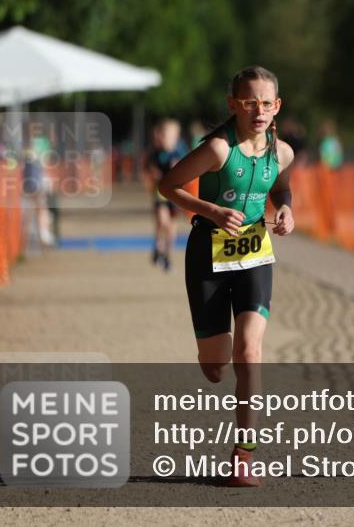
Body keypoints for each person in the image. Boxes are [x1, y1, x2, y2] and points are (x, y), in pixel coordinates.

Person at [158, 66, 295, 487]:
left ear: (277, 107)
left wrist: (286, 208)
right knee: (217, 367)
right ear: (233, 105)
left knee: (250, 352)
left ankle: (244, 455)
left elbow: (281, 184)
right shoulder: (218, 150)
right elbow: (169, 185)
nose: (258, 110)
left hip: (255, 254)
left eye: (266, 103)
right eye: (249, 102)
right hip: (208, 255)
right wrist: (212, 210)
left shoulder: (282, 150)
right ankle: (214, 350)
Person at [145, 119, 187, 271]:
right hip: (161, 191)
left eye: (171, 135)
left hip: (175, 191)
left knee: (171, 227)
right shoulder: (156, 152)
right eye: (164, 135)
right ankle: (157, 246)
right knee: (162, 221)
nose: (166, 138)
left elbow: (185, 168)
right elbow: (149, 167)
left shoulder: (179, 152)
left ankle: (167, 256)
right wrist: (154, 173)